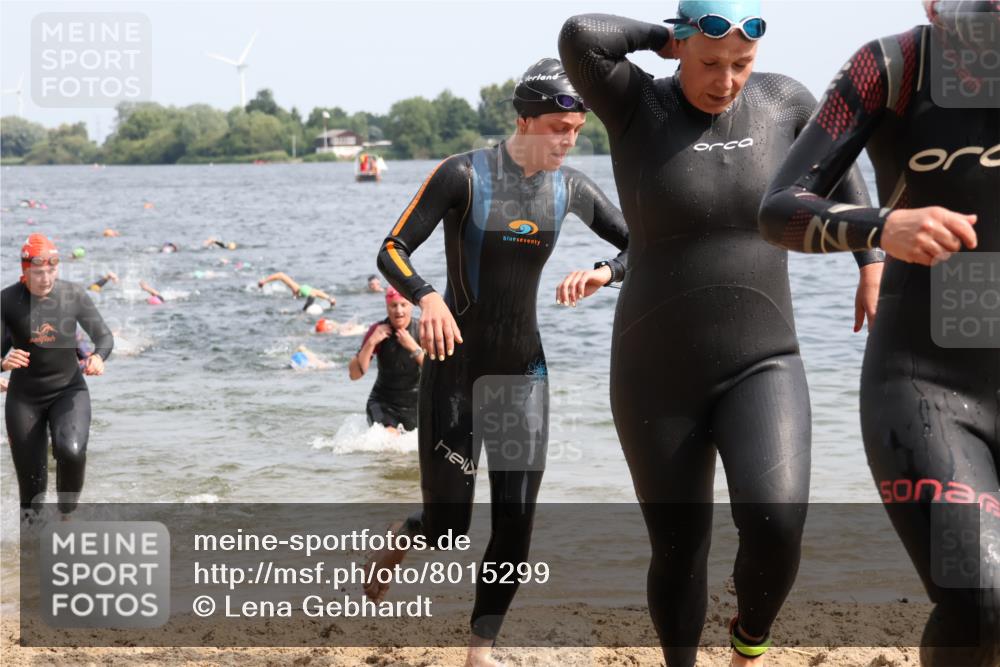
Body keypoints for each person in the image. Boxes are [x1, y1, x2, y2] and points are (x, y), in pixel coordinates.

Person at [558, 3, 884, 665]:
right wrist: (663, 40)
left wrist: (870, 260)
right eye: (710, 62)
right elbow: (579, 36)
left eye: (742, 62)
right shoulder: (634, 104)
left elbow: (843, 160)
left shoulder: (782, 100)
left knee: (778, 519)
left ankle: (748, 642)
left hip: (762, 357)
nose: (728, 78)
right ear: (680, 47)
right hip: (656, 372)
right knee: (679, 547)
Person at [366, 57, 629, 667]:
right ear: (524, 120)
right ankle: (405, 538)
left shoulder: (570, 189)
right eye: (557, 128)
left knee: (515, 522)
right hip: (454, 373)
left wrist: (604, 272)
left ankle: (479, 651)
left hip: (523, 374)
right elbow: (392, 248)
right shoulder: (463, 175)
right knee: (447, 528)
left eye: (575, 131)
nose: (567, 141)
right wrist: (427, 296)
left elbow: (641, 240)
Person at [758, 2, 999, 664]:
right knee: (980, 599)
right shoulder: (891, 67)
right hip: (930, 385)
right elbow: (778, 208)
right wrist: (881, 227)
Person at [1, 234, 113, 520]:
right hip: (24, 399)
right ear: (24, 273)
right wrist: (2, 363)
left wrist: (98, 356)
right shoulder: (7, 300)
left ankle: (66, 516)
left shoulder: (72, 294)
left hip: (69, 390)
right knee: (31, 489)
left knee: (72, 452)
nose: (46, 278)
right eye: (38, 273)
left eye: (51, 271)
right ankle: (30, 552)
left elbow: (103, 335)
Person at [348, 287, 423, 435]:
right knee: (389, 438)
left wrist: (413, 347)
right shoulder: (377, 330)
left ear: (411, 306)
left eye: (403, 305)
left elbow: (437, 373)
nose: (399, 311)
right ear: (387, 307)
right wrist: (371, 342)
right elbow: (355, 374)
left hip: (416, 404)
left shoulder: (421, 329)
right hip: (383, 403)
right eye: (393, 305)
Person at [258, 272, 337, 309]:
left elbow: (280, 275)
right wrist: (329, 299)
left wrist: (264, 281)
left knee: (302, 315)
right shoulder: (298, 289)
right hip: (308, 296)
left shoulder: (299, 289)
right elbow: (316, 292)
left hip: (307, 294)